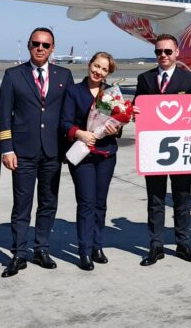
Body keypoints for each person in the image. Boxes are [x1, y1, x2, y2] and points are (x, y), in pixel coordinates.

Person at [0, 27, 73, 278]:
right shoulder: (13, 75)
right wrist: (7, 148)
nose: (40, 48)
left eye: (45, 45)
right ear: (29, 45)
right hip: (23, 151)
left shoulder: (64, 74)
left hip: (53, 150)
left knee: (48, 203)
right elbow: (4, 115)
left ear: (53, 48)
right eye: (36, 43)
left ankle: (41, 249)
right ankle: (19, 253)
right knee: (22, 205)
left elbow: (69, 112)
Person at [133, 33, 191, 266]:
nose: (163, 55)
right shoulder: (145, 78)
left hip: (180, 150)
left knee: (182, 199)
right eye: (158, 51)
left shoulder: (188, 79)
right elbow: (138, 109)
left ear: (177, 53)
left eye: (167, 51)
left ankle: (183, 244)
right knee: (156, 199)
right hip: (153, 150)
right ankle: (156, 246)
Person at [61, 52, 121, 270]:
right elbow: (65, 122)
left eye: (104, 69)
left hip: (106, 154)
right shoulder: (74, 91)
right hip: (83, 154)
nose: (98, 72)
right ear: (90, 65)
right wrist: (80, 133)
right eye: (96, 66)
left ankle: (97, 246)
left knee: (100, 203)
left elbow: (117, 122)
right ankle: (84, 251)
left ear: (108, 73)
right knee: (86, 203)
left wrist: (116, 129)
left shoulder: (111, 93)